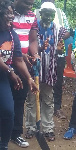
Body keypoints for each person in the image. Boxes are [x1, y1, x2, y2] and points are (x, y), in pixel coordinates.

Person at [25, 2, 67, 142]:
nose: (48, 17)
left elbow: (67, 34)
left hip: (49, 71)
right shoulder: (33, 27)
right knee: (31, 100)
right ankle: (31, 127)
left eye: (51, 14)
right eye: (46, 13)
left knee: (48, 101)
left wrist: (59, 48)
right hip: (34, 70)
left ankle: (48, 129)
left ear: (54, 15)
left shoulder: (58, 29)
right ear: (41, 14)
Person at [0, 0, 38, 149]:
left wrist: (28, 78)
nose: (11, 16)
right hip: (6, 72)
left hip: (2, 75)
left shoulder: (12, 34)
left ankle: (3, 144)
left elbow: (17, 59)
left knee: (9, 109)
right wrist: (10, 72)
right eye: (8, 13)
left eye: (12, 13)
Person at [35, 0, 71, 119]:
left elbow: (67, 31)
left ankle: (57, 108)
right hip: (38, 56)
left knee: (57, 82)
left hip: (55, 55)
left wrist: (56, 39)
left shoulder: (60, 13)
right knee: (37, 83)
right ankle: (38, 109)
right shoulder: (35, 13)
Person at [11, 0, 39, 148]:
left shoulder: (31, 15)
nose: (30, 7)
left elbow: (33, 39)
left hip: (23, 65)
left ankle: (15, 134)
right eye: (27, 3)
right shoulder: (7, 13)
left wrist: (34, 54)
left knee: (19, 99)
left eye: (31, 3)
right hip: (6, 63)